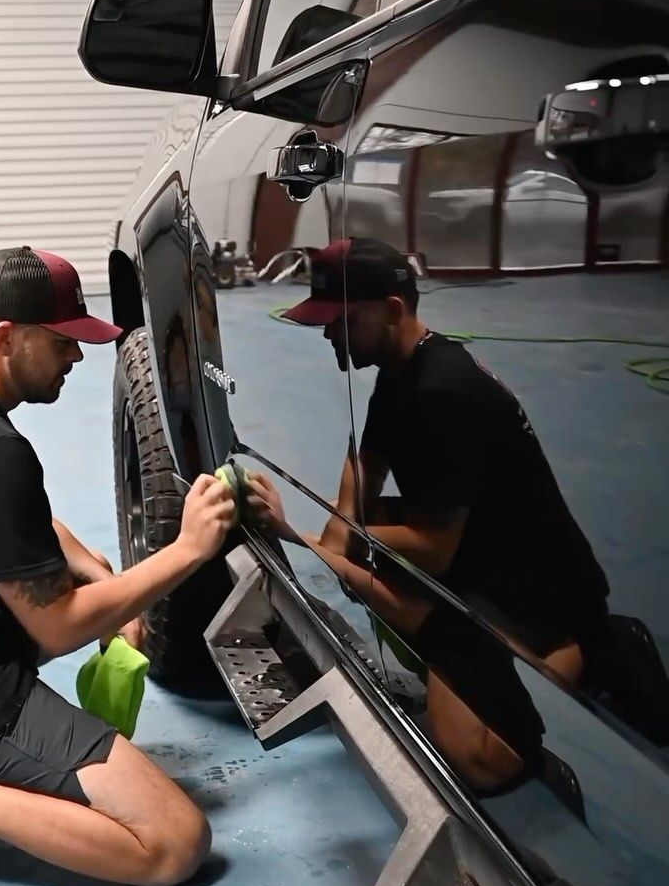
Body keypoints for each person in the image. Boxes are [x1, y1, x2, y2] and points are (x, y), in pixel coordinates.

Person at [249, 238, 610, 790]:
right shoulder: (401, 370)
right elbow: (363, 460)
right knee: (360, 551)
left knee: (476, 761)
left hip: (534, 584)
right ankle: (451, 639)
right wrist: (336, 539)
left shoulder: (444, 393)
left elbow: (433, 546)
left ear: (393, 310)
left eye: (342, 320)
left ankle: (569, 651)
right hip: (475, 549)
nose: (328, 333)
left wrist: (304, 540)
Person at [0, 246, 236, 886]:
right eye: (62, 342)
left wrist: (99, 572)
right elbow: (57, 628)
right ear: (7, 337)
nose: (77, 357)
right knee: (174, 843)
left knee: (86, 579)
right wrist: (187, 550)